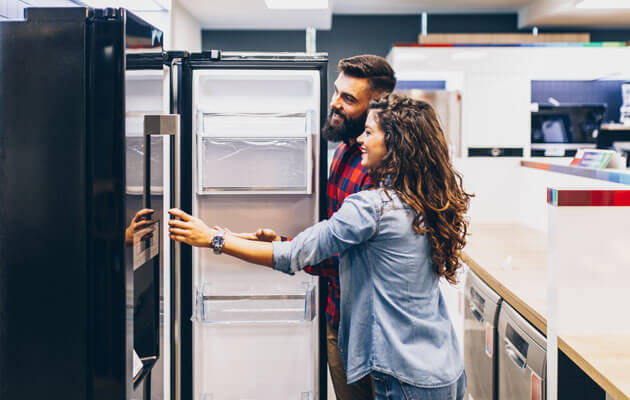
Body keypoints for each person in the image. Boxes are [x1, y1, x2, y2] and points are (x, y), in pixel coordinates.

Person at [169, 93, 471, 400]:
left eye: (369, 132)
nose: (360, 141)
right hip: (444, 368)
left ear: (395, 143)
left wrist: (213, 240)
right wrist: (272, 240)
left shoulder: (372, 207)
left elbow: (291, 257)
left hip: (402, 375)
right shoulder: (426, 200)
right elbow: (318, 248)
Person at [242, 54, 396, 400]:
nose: (335, 104)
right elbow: (333, 233)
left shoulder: (381, 174)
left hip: (372, 330)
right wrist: (284, 241)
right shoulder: (343, 149)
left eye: (349, 99)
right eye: (337, 92)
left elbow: (339, 254)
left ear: (378, 109)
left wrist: (220, 240)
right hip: (336, 313)